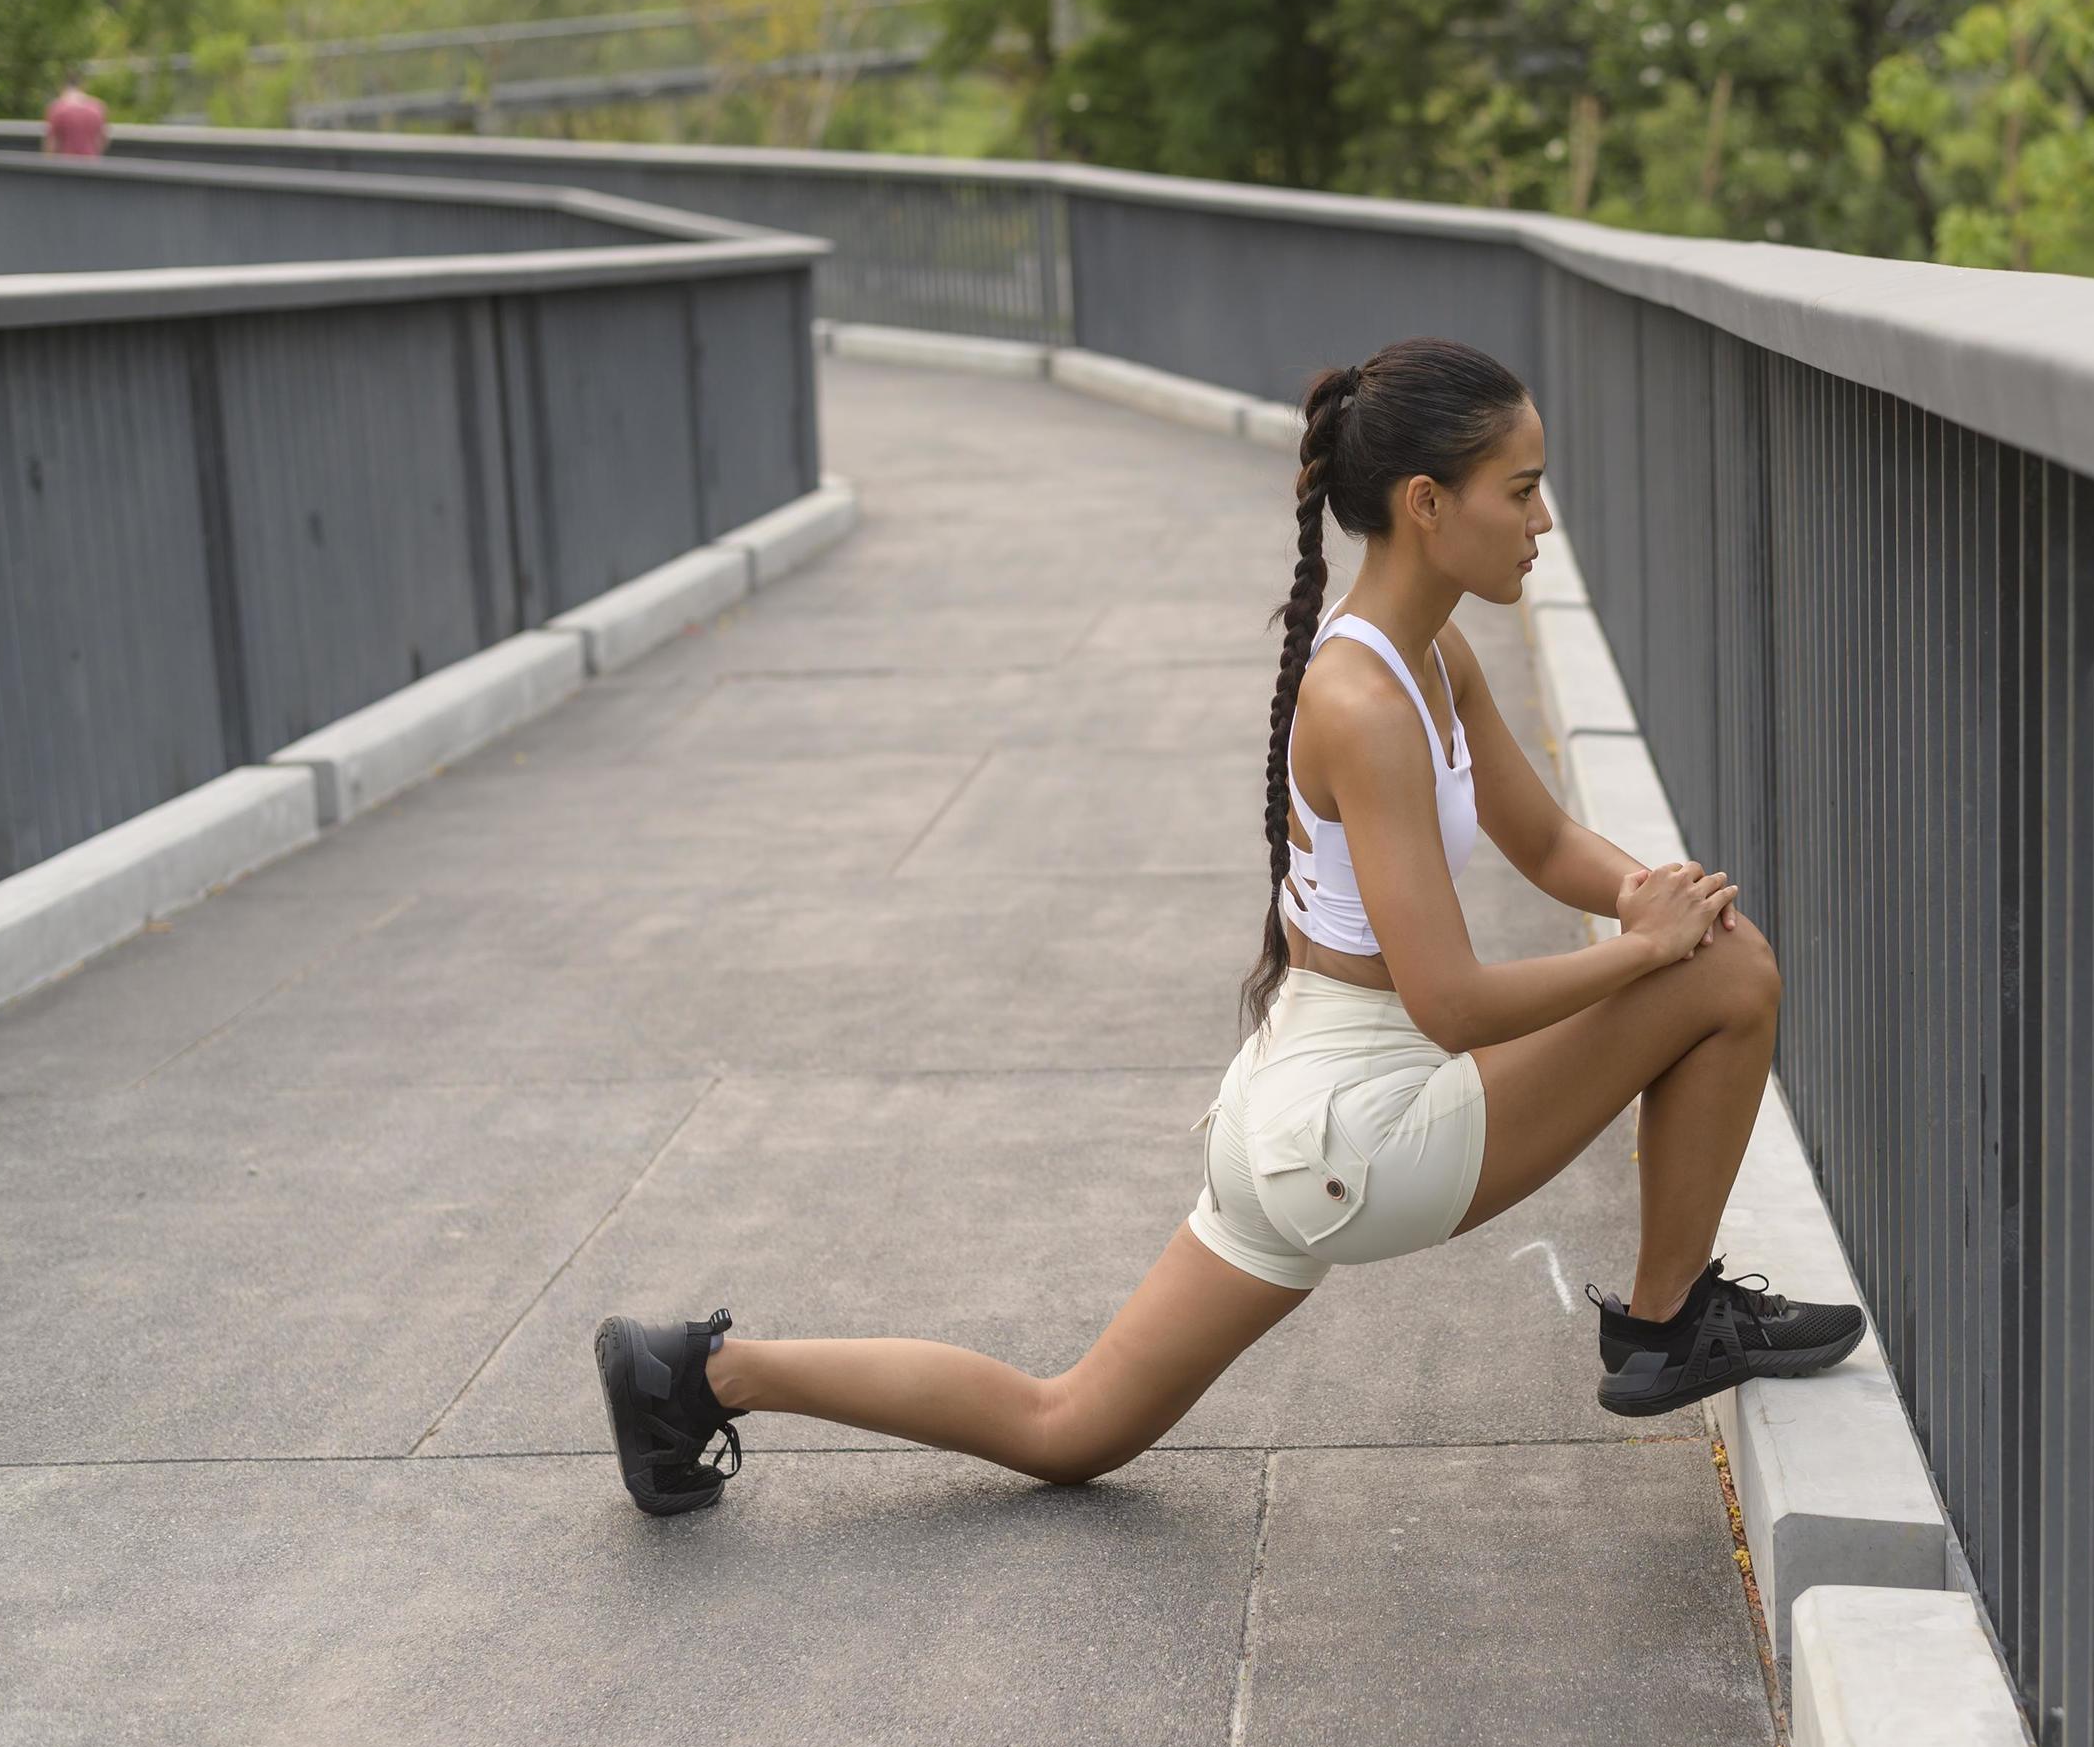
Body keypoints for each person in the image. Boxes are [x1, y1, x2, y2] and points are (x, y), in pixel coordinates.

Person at [592, 335, 1865, 1516]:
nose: (1542, 521)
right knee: (1729, 973)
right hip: (1361, 1132)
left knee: (1068, 1425)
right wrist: (1650, 955)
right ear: (1427, 502)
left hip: (1291, 1110)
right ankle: (1663, 1324)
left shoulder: (1430, 655)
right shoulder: (1364, 701)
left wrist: (1647, 892)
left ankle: (699, 1374)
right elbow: (1453, 1006)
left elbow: (1542, 842)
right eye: (1520, 490)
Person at [41, 72, 109, 157]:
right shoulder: (97, 106)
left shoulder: (57, 107)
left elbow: (51, 142)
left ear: (62, 86)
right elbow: (102, 140)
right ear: (83, 85)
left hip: (66, 163)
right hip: (91, 162)